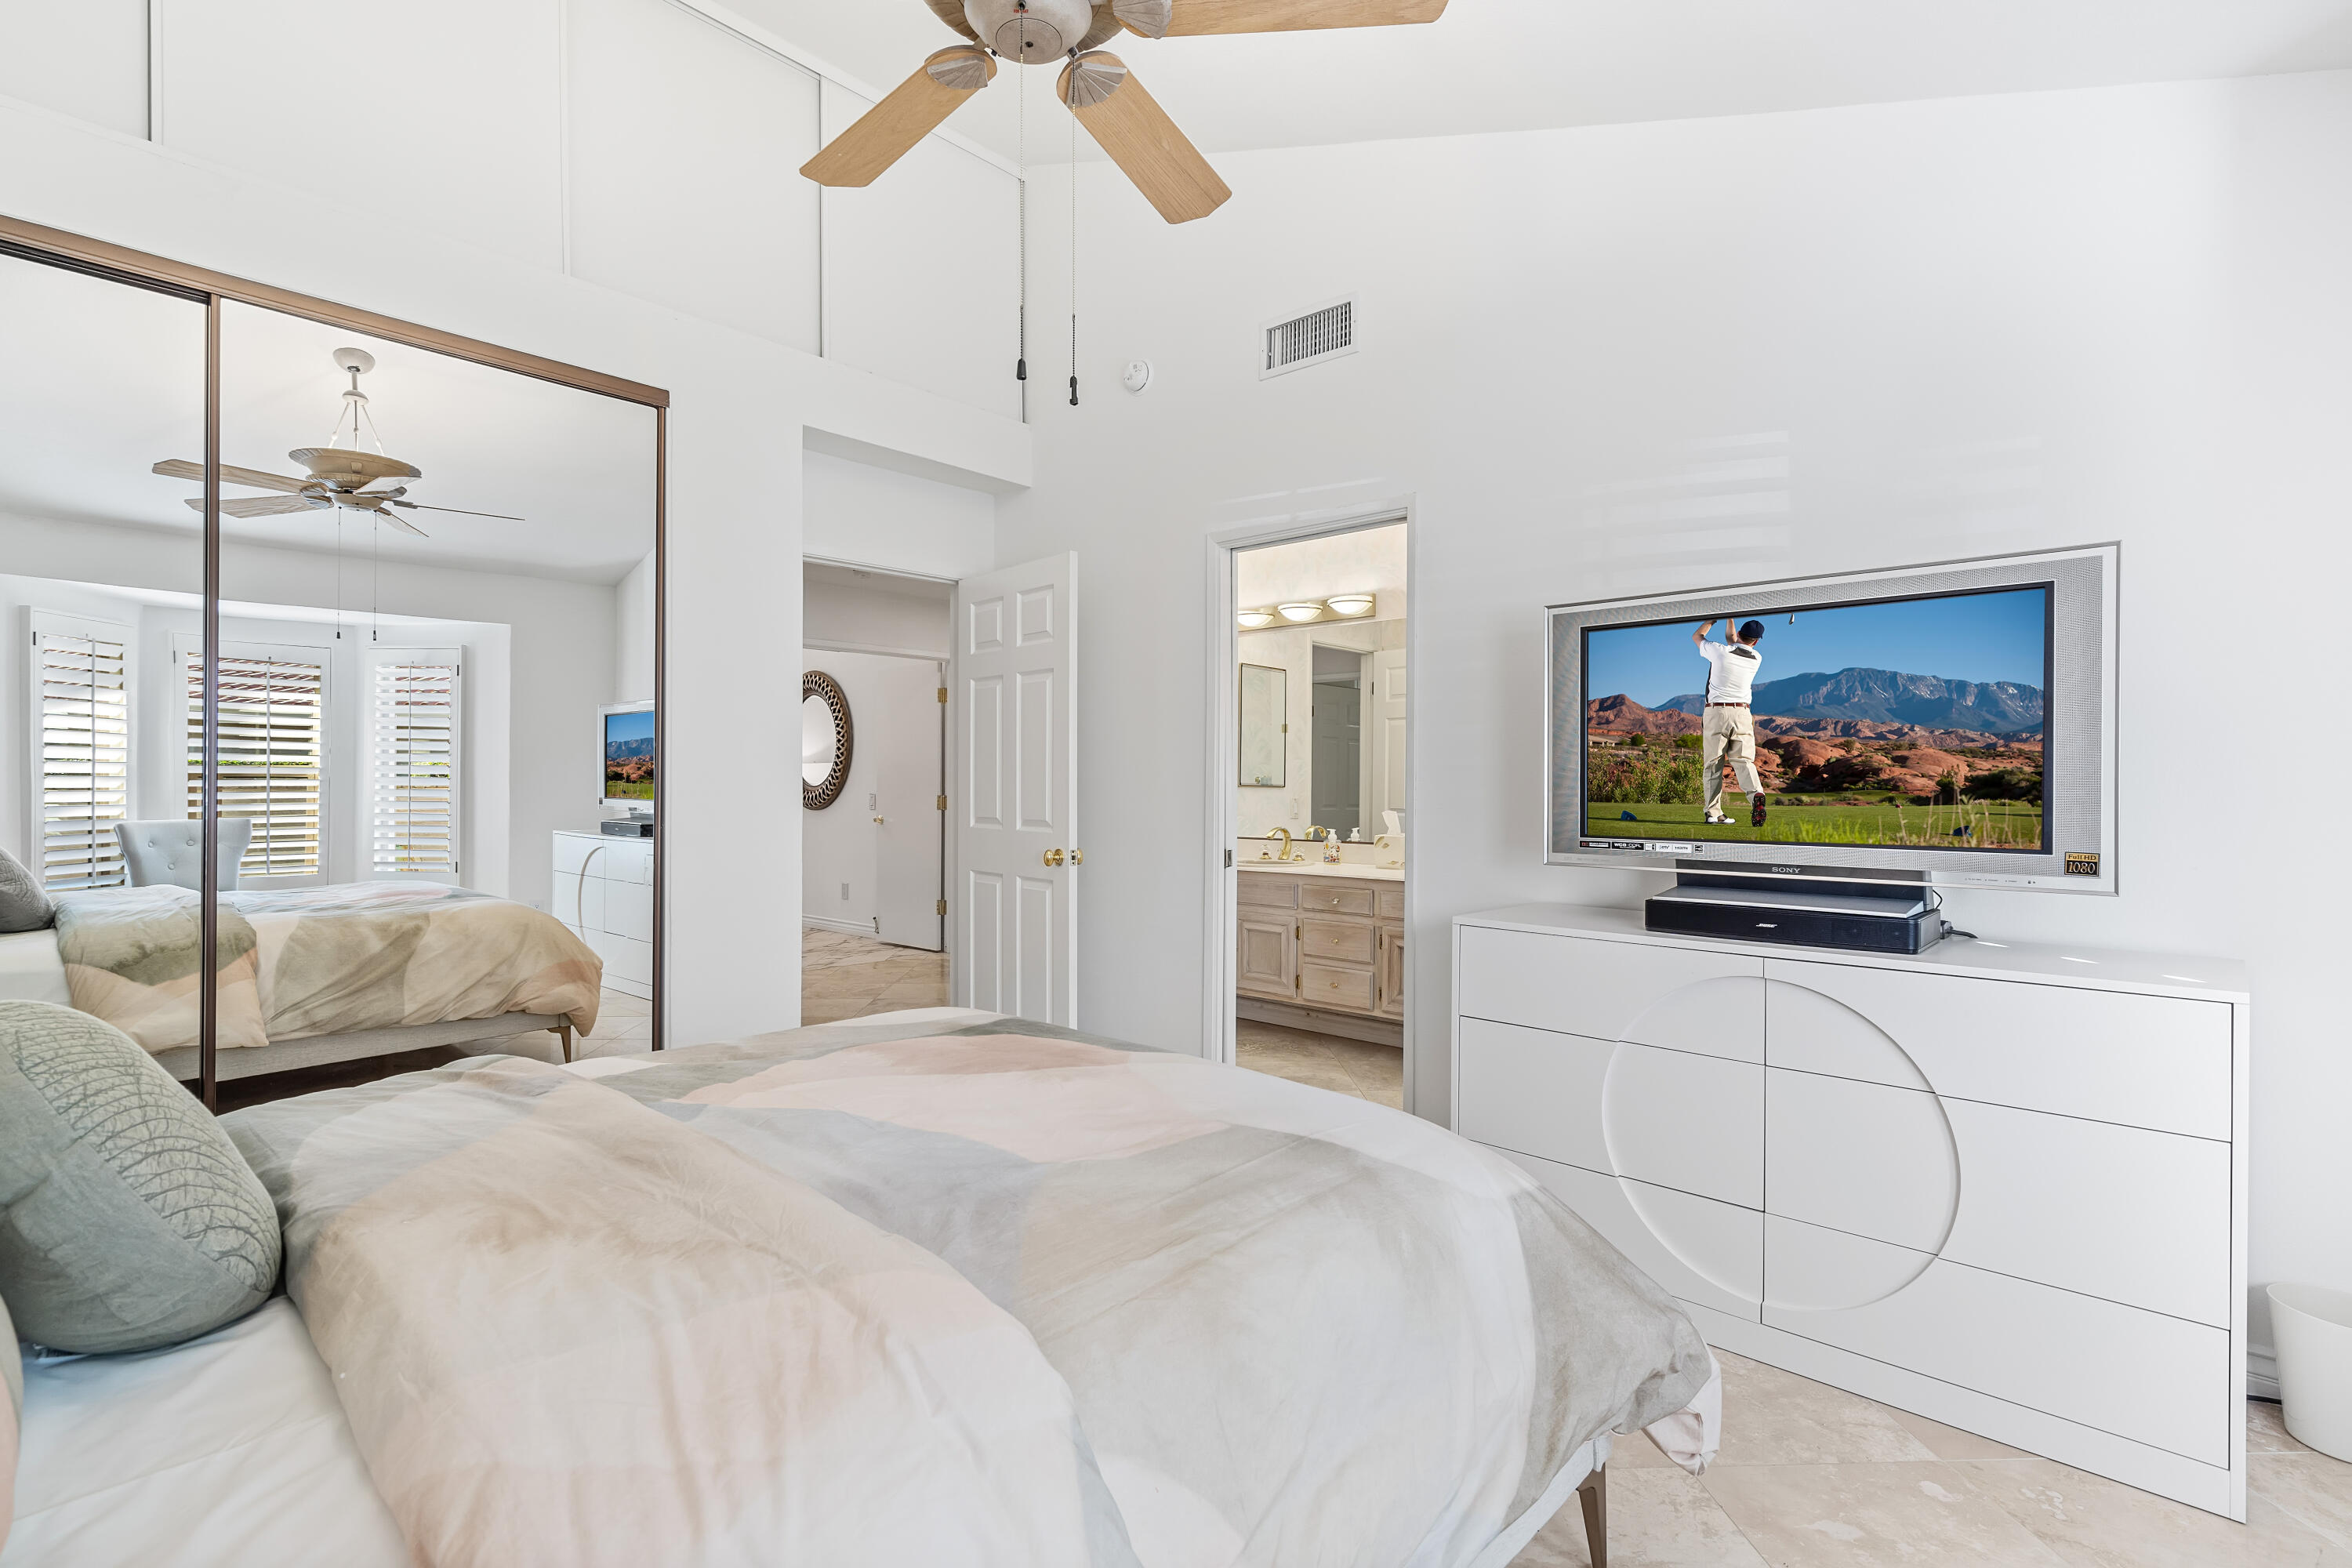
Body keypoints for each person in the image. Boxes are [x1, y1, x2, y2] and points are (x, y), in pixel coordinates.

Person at [1690, 618, 1769, 827]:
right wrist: (1730, 617)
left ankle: (1713, 812)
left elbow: (1697, 637)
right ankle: (1756, 795)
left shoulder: (1720, 651)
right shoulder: (1756, 657)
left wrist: (1712, 620)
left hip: (1717, 713)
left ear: (1739, 634)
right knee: (1744, 761)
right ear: (1756, 642)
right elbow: (1733, 641)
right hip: (1743, 714)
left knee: (1713, 764)